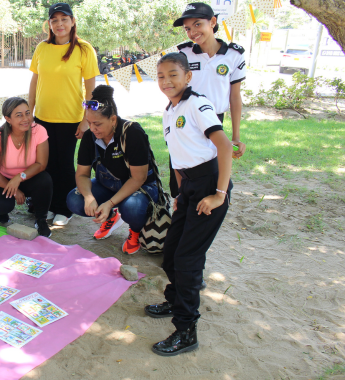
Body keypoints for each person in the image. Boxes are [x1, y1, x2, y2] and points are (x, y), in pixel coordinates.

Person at [146, 53, 233, 356]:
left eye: (173, 74)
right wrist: (182, 193)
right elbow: (179, 156)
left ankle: (186, 331)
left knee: (187, 259)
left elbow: (224, 146)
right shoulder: (170, 110)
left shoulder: (197, 103)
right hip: (191, 189)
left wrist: (219, 194)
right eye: (160, 76)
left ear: (187, 77)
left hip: (211, 185)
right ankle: (174, 298)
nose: (166, 81)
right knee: (170, 253)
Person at [28, 2, 100, 226]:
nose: (59, 24)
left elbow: (91, 90)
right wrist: (29, 113)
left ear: (72, 21)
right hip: (42, 117)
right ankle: (48, 205)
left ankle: (64, 209)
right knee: (45, 164)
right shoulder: (42, 48)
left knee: (65, 164)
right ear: (49, 24)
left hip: (70, 119)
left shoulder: (84, 49)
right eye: (54, 20)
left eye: (64, 19)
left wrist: (86, 119)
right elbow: (34, 81)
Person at [66, 85, 159, 254]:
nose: (92, 129)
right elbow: (82, 174)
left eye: (97, 124)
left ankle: (135, 231)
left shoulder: (132, 132)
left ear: (113, 120)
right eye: (89, 123)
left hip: (141, 186)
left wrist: (109, 203)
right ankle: (110, 216)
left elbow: (139, 178)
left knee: (131, 207)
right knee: (74, 200)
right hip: (109, 185)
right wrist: (88, 197)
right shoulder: (89, 136)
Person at [167, 2, 246, 198]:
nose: (192, 32)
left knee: (210, 172)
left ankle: (208, 210)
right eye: (187, 28)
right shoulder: (183, 53)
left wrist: (235, 136)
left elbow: (235, 97)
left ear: (212, 22)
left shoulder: (234, 55)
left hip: (214, 120)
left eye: (197, 24)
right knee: (181, 172)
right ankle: (180, 211)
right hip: (184, 119)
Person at [0, 97, 52, 237]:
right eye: (19, 115)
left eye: (27, 113)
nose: (26, 118)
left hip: (27, 177)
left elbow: (41, 164)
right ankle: (1, 213)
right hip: (2, 180)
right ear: (8, 119)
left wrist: (19, 178)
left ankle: (41, 220)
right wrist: (14, 190)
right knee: (1, 206)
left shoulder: (38, 131)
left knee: (45, 180)